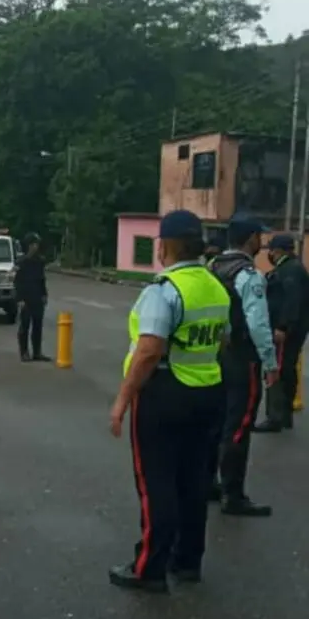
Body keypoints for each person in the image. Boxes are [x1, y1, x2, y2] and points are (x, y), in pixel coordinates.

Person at [108, 210, 229, 593]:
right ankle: (187, 561)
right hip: (208, 392)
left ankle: (150, 567)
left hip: (165, 393)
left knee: (156, 481)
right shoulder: (215, 286)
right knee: (194, 481)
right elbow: (222, 339)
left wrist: (123, 399)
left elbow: (149, 349)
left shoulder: (164, 290)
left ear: (166, 246)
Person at [208, 214, 280, 516]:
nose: (262, 242)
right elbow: (258, 323)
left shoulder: (213, 268)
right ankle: (233, 494)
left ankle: (210, 483)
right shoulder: (249, 275)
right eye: (259, 237)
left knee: (217, 422)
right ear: (250, 238)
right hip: (242, 358)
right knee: (239, 426)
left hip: (215, 356)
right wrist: (270, 362)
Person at [254, 233, 309, 433]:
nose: (270, 254)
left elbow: (292, 301)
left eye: (272, 250)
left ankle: (276, 417)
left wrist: (283, 326)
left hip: (285, 332)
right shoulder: (291, 268)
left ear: (279, 251)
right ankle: (283, 415)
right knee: (286, 368)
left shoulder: (290, 270)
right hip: (293, 329)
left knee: (277, 368)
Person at [14, 232, 50, 362]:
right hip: (25, 298)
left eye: (37, 244)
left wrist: (44, 294)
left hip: (37, 297)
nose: (36, 247)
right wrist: (19, 299)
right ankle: (24, 352)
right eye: (34, 244)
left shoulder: (39, 261)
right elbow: (17, 282)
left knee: (37, 325)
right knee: (25, 325)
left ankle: (37, 352)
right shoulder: (21, 262)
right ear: (28, 246)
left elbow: (42, 279)